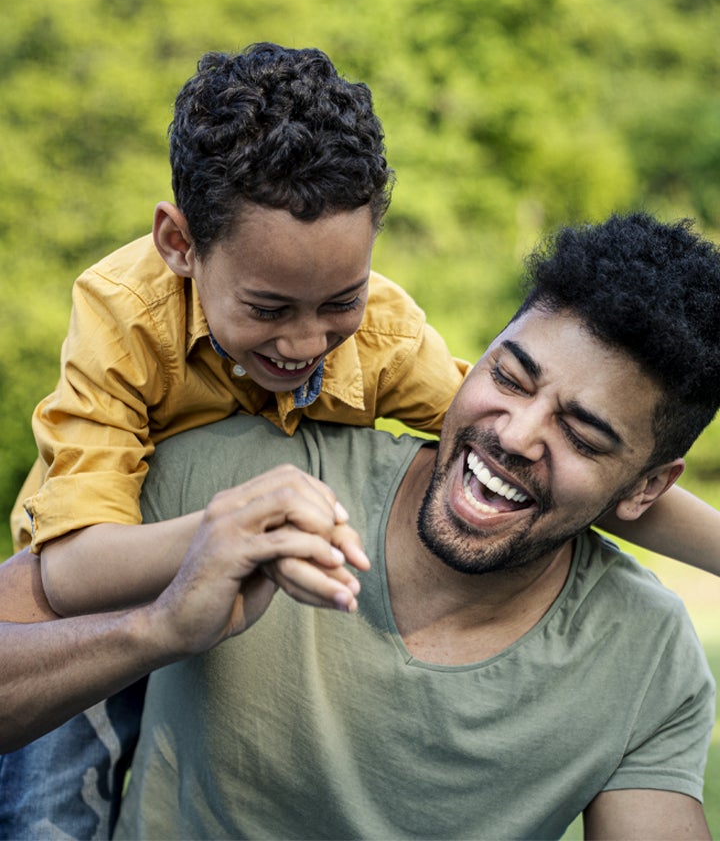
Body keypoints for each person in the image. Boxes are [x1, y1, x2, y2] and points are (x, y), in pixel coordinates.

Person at [2, 211, 719, 838]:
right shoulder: (231, 487)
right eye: (509, 377)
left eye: (585, 436)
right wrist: (157, 628)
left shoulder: (649, 655)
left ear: (647, 487)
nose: (516, 434)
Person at [0, 41, 469, 840]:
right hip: (96, 615)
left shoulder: (381, 331)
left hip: (243, 634)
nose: (306, 340)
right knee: (47, 818)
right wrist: (233, 530)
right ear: (179, 244)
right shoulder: (123, 313)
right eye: (268, 307)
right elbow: (72, 569)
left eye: (339, 301)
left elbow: (530, 449)